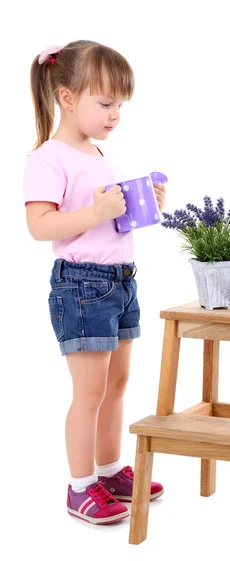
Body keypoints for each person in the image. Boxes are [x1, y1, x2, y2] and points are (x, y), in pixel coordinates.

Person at [23, 40, 165, 525]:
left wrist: (141, 204)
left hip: (121, 281)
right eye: (105, 103)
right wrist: (97, 210)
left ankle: (108, 471)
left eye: (120, 105)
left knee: (117, 383)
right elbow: (41, 225)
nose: (115, 114)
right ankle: (79, 486)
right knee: (89, 391)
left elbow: (108, 221)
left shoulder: (99, 153)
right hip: (82, 286)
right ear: (67, 98)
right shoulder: (48, 158)